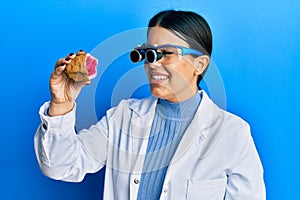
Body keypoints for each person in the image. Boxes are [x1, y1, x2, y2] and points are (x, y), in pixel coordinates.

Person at [34, 10, 266, 200]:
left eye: (166, 53)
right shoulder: (123, 117)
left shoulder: (233, 134)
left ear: (200, 63)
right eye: (148, 53)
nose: (152, 64)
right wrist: (61, 103)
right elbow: (60, 166)